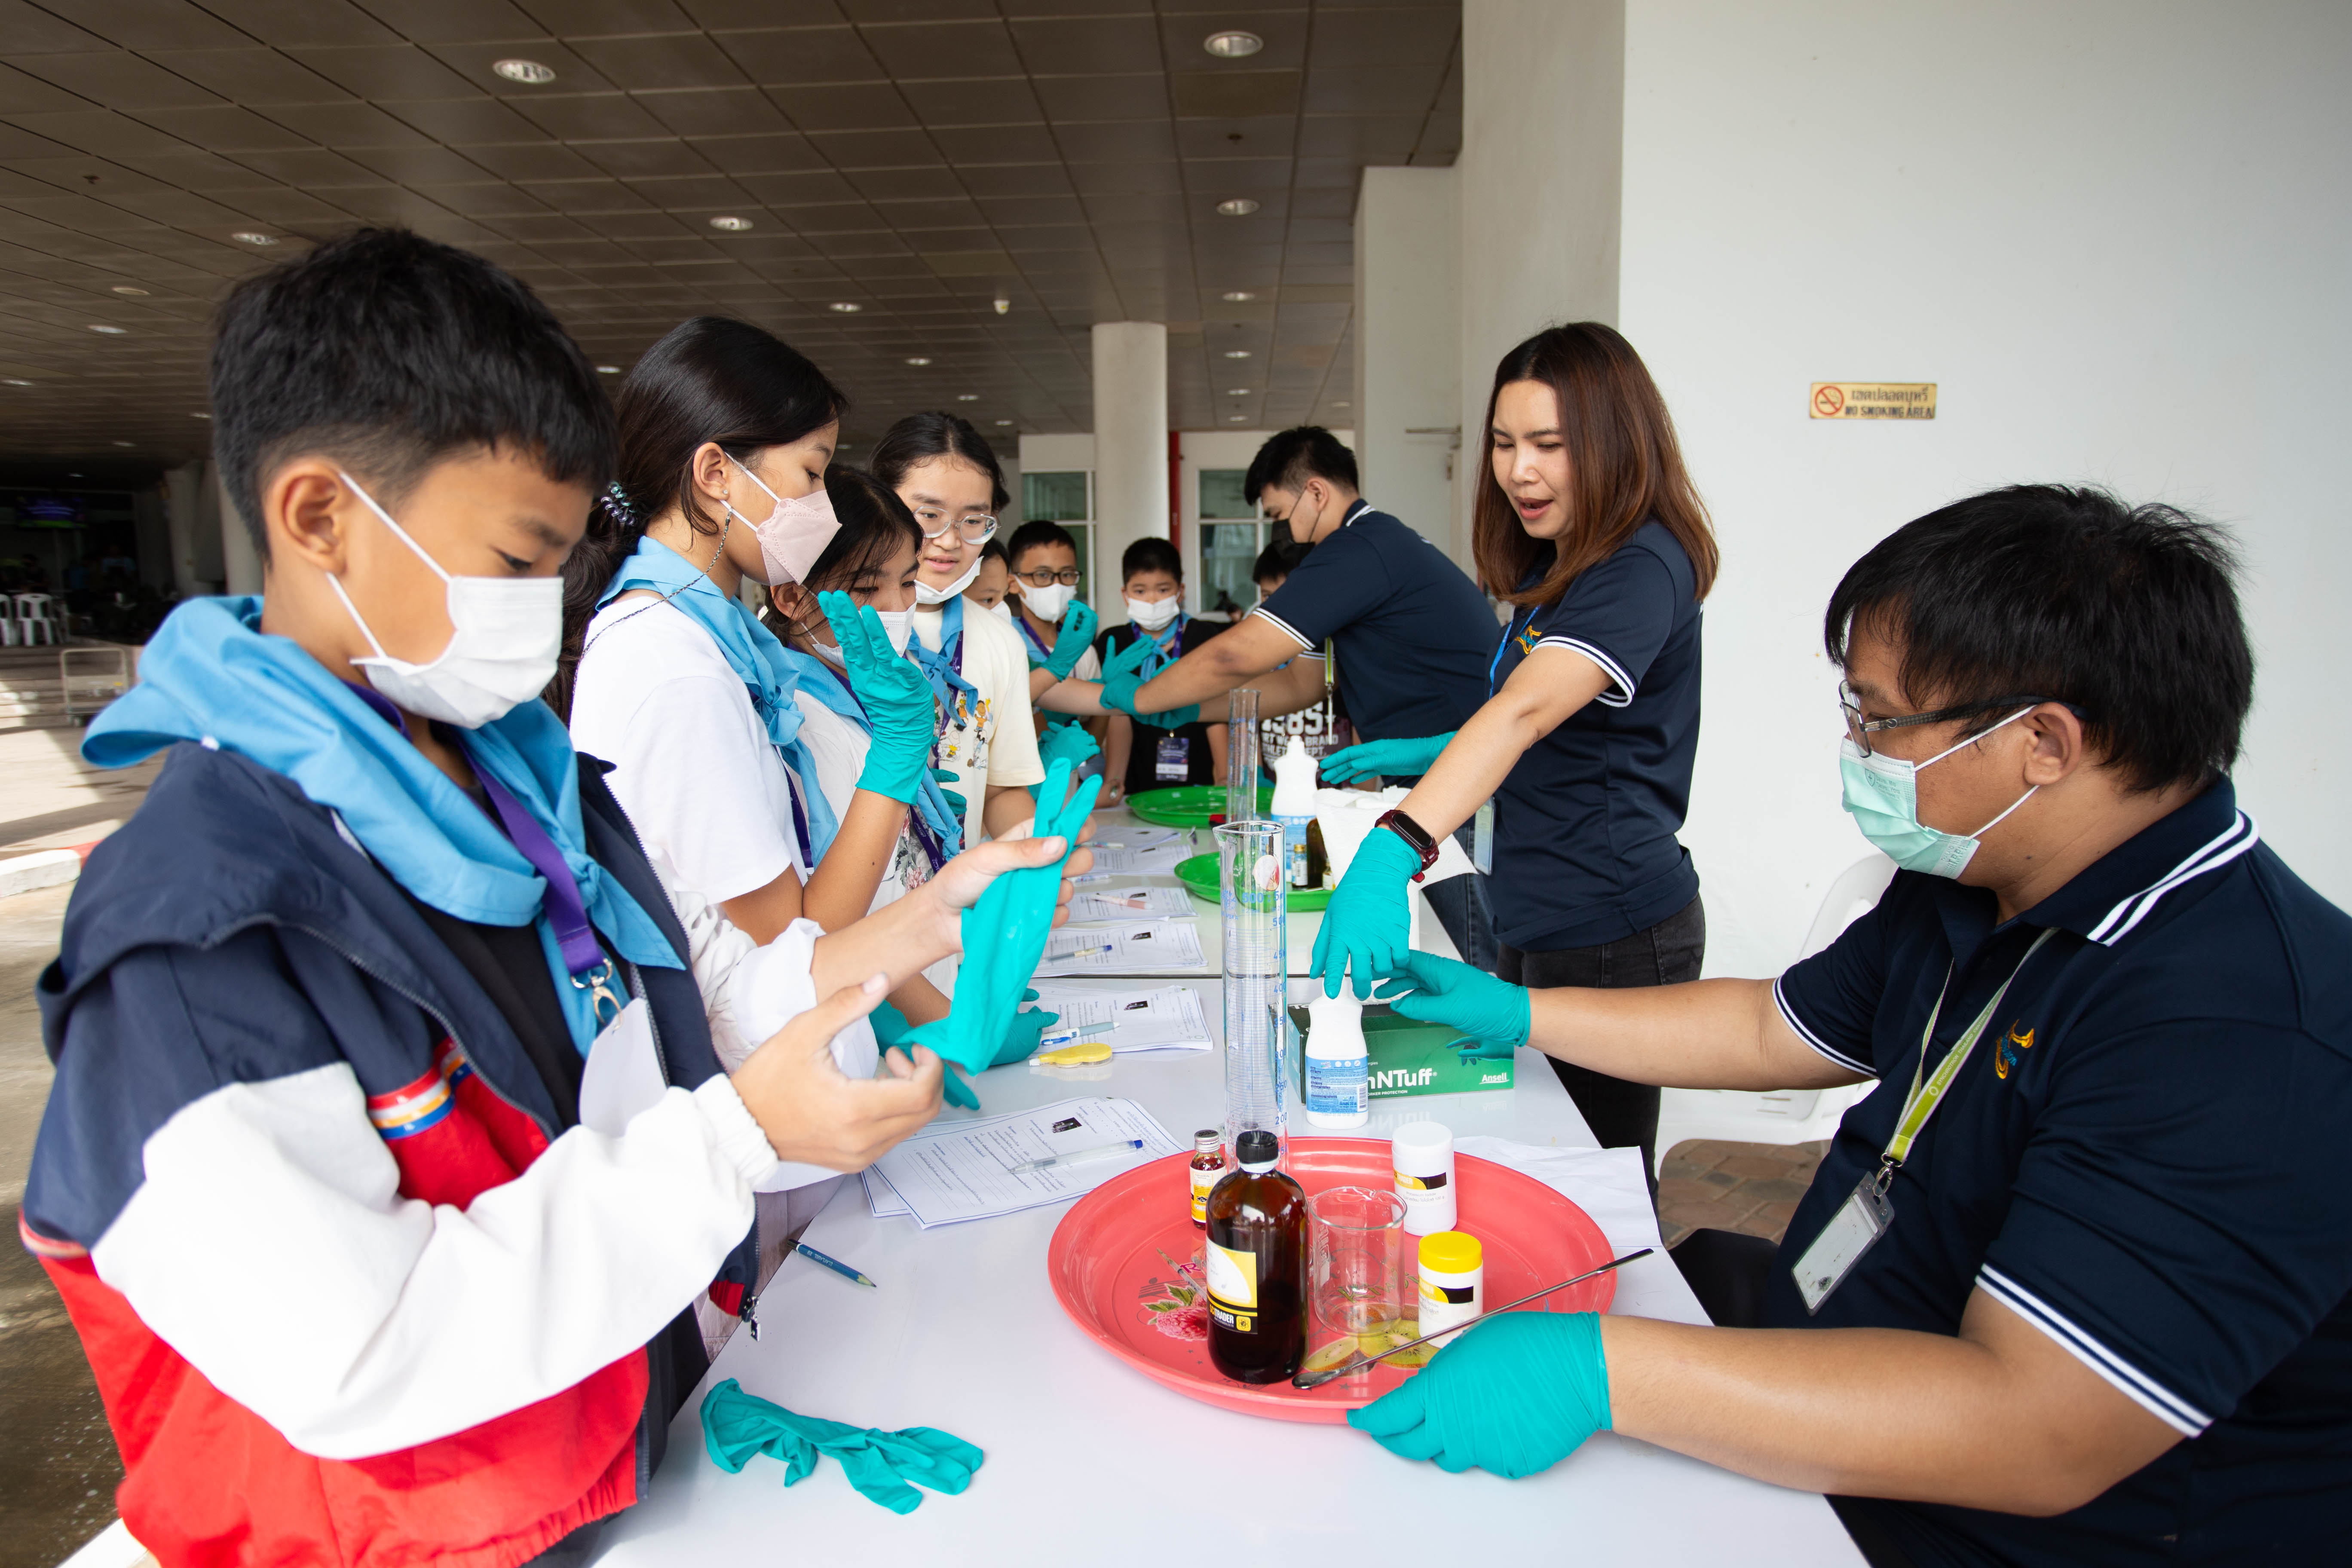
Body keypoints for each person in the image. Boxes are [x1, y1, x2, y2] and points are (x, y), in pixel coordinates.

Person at [19, 228, 1093, 1567]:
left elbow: (700, 987)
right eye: (517, 560)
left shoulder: (518, 779)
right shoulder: (197, 930)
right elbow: (361, 1349)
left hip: (610, 1446)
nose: (547, 608)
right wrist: (735, 1141)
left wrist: (925, 924)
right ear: (319, 516)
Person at [1349, 484, 2352, 1566]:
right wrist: (1520, 1011)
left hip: (1990, 1523)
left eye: (1878, 719)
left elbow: (2037, 1429)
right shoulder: (1981, 876)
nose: (1856, 746)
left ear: (2043, 743)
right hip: (1830, 1372)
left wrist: (1604, 1374)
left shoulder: (2245, 1028)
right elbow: (1769, 1029)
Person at [1312, 326, 1715, 1178]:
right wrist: (1431, 749)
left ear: (1614, 443)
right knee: (1530, 1153)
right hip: (1532, 908)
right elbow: (1541, 717)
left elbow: (1526, 711)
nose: (1518, 471)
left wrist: (1393, 848)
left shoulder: (1642, 565)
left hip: (1609, 925)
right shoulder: (1562, 565)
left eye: (1549, 445)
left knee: (1596, 1182)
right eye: (1503, 443)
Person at [1093, 427, 1496, 965]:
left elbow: (1234, 655)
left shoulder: (1357, 550)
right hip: (1432, 779)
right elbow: (1299, 684)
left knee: (1470, 952)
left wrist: (1145, 697)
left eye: (1280, 514)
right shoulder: (1368, 549)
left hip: (1464, 778)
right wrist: (1189, 709)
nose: (1281, 530)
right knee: (1448, 943)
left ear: (1316, 492)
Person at [867, 412, 1046, 841]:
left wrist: (1040, 846)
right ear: (879, 503)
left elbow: (999, 790)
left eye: (973, 520)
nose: (950, 541)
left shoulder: (1001, 641)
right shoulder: (837, 628)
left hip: (959, 877)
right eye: (929, 514)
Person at [1095, 537, 1228, 803]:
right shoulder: (1114, 641)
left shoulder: (1204, 635)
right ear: (1125, 594)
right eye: (1140, 591)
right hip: (1135, 783)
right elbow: (1117, 714)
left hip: (1198, 781)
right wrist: (1114, 782)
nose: (1152, 600)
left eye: (1163, 589)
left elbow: (1216, 707)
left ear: (1180, 591)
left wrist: (1225, 777)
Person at [1247, 540, 1353, 781]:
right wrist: (1255, 776)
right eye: (1267, 595)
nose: (1274, 605)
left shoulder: (1338, 649)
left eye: (1285, 594)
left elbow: (1361, 728)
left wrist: (1361, 792)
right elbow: (1249, 719)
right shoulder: (1256, 653)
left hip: (1333, 789)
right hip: (1274, 788)